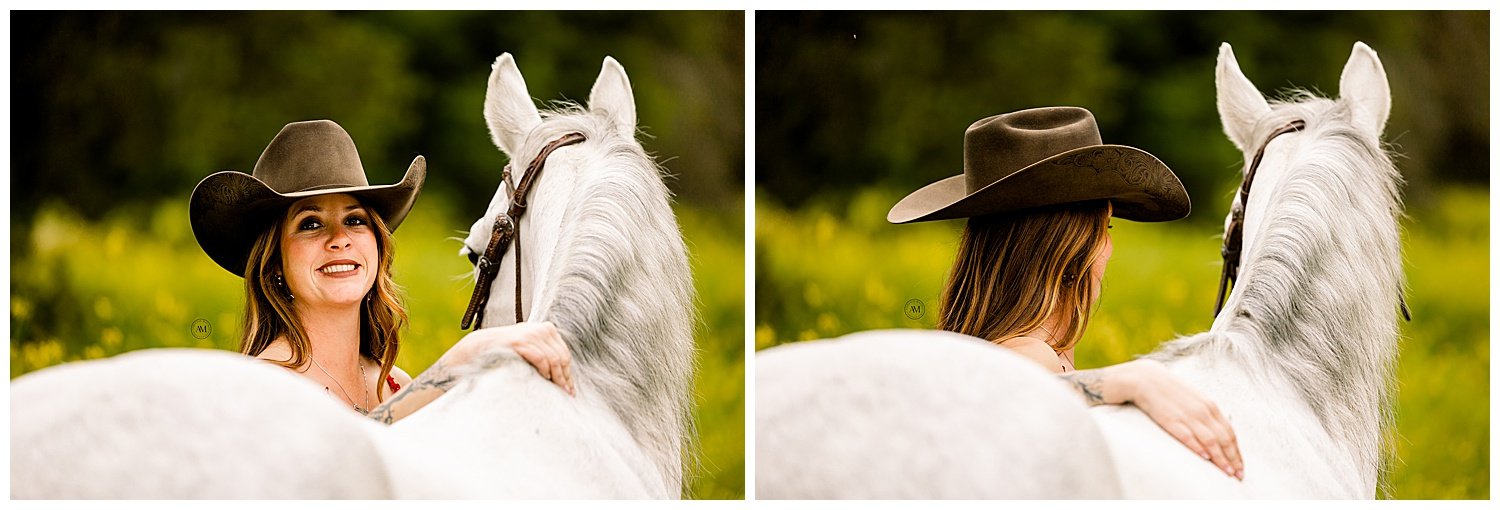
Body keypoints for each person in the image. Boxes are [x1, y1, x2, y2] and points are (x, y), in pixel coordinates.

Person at [888, 106, 1244, 481]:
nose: (1108, 247)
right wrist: (1133, 379)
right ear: (1070, 248)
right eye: (1104, 226)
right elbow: (1017, 395)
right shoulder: (1027, 355)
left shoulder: (1014, 349)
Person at [189, 119, 573, 424]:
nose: (340, 239)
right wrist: (463, 358)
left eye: (355, 220)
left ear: (377, 245)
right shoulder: (260, 386)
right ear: (274, 262)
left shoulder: (394, 384)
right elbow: (338, 473)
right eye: (310, 223)